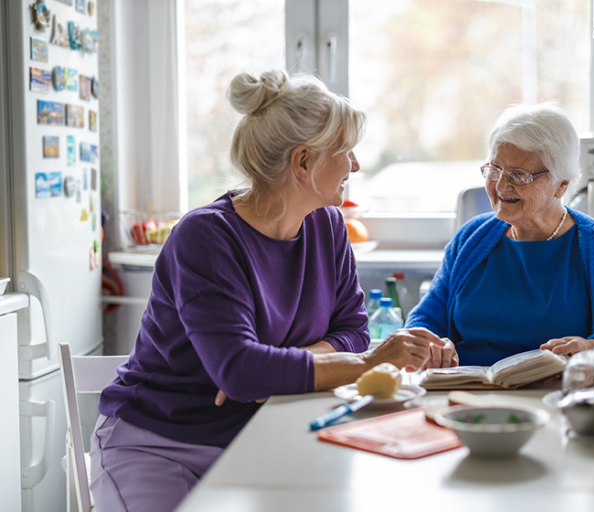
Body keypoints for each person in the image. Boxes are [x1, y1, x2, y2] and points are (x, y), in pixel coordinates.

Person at [89, 70, 444, 512]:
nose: (354, 166)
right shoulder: (206, 237)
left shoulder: (327, 225)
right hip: (161, 442)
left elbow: (351, 328)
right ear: (303, 162)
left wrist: (275, 368)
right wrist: (365, 364)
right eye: (346, 152)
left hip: (260, 434)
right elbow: (240, 372)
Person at [406, 102, 594, 368]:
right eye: (494, 170)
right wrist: (432, 344)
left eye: (518, 175)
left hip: (557, 405)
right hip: (465, 398)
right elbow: (425, 319)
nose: (501, 186)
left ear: (560, 185)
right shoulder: (472, 237)